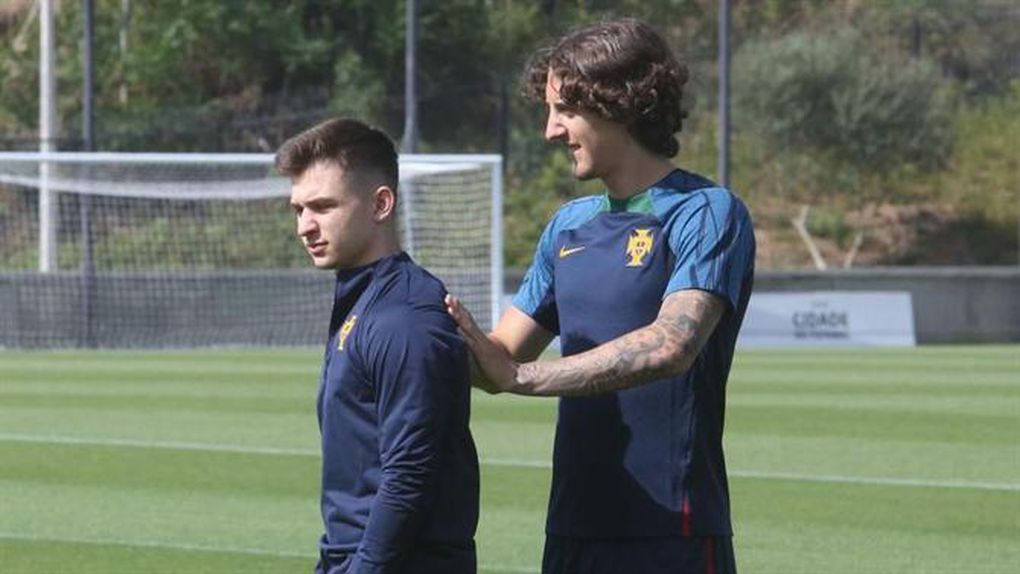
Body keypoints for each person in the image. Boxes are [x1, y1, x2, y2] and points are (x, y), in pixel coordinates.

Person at [445, 17, 755, 574]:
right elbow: (500, 354)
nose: (550, 131)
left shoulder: (706, 212)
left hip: (673, 531)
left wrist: (521, 378)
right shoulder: (568, 225)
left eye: (565, 110)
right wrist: (407, 326)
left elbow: (672, 345)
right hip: (573, 528)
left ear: (621, 102)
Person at [277, 118, 479, 574]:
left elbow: (409, 475)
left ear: (381, 204)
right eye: (298, 209)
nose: (305, 226)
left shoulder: (405, 316)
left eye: (322, 207)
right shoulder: (364, 299)